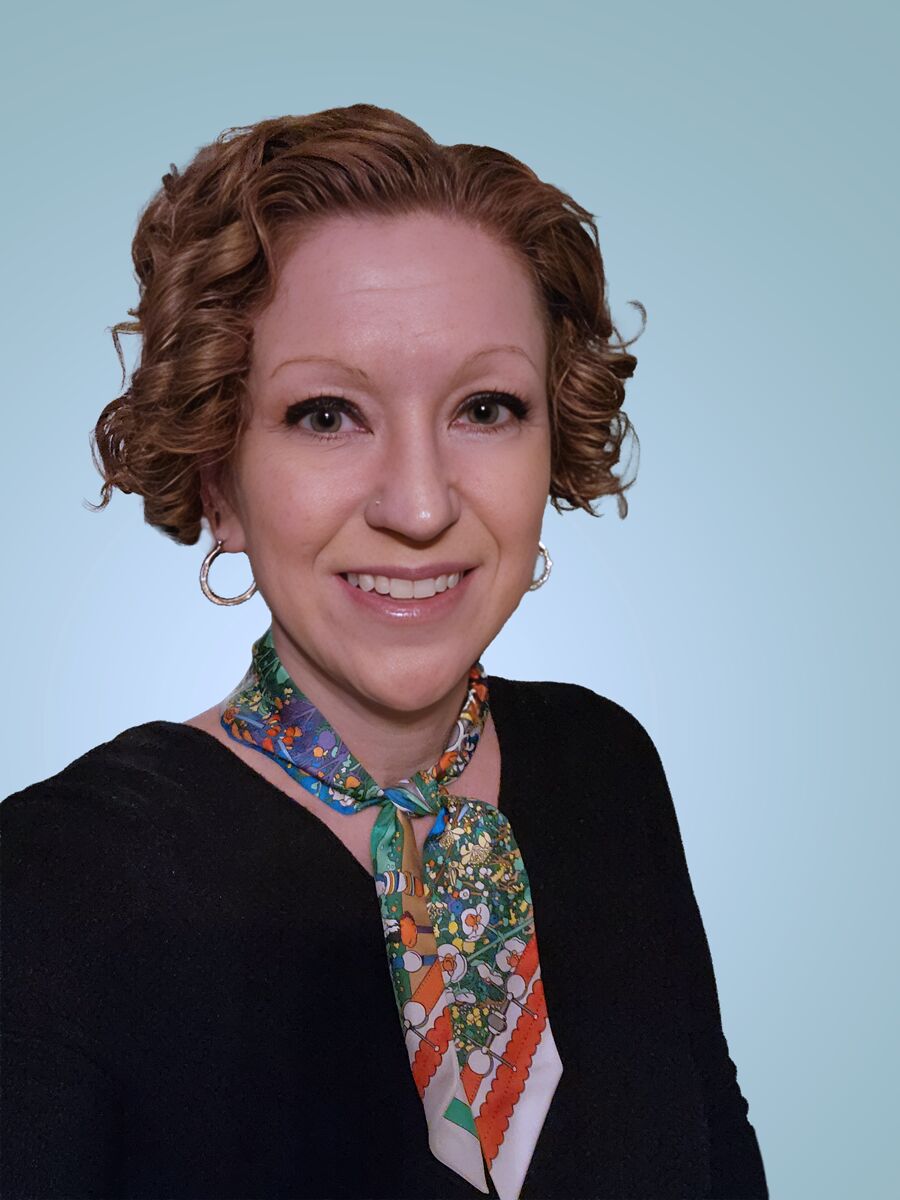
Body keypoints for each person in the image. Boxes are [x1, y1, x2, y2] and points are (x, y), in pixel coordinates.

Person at [0, 104, 768, 1200]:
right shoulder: (53, 884)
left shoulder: (608, 768)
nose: (419, 506)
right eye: (326, 415)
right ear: (219, 479)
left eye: (486, 407)